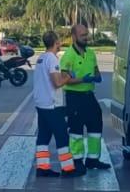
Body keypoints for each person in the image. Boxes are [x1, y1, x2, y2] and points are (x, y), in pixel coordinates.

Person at [61, 21, 108, 171]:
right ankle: (77, 160)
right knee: (76, 130)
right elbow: (63, 79)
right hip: (74, 97)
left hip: (89, 96)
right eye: (82, 35)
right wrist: (83, 79)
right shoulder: (68, 56)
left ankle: (93, 159)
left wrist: (97, 76)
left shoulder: (91, 53)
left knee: (96, 125)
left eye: (87, 34)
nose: (86, 38)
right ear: (74, 37)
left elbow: (96, 70)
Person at [31, 30, 76, 178]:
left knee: (43, 136)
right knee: (62, 135)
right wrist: (68, 76)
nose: (61, 43)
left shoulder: (41, 58)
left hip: (41, 103)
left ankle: (42, 167)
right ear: (56, 42)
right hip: (52, 105)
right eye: (59, 41)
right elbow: (57, 83)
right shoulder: (52, 59)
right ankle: (68, 169)